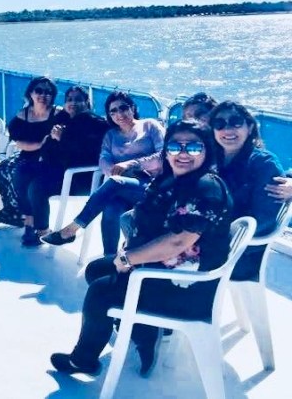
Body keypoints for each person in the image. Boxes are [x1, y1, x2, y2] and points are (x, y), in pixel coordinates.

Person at [51, 119, 232, 378]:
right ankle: (143, 332)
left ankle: (84, 359)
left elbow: (178, 242)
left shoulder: (205, 187)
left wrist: (127, 257)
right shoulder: (173, 179)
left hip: (187, 288)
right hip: (163, 270)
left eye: (193, 148)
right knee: (96, 269)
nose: (182, 153)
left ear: (207, 152)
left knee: (101, 292)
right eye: (175, 146)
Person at [40, 91, 165, 254]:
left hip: (154, 187)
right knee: (111, 208)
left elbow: (164, 155)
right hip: (123, 185)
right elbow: (103, 160)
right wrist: (119, 172)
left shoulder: (150, 125)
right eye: (113, 111)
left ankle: (72, 229)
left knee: (114, 183)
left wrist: (131, 165)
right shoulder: (111, 135)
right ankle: (109, 259)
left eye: (123, 108)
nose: (119, 113)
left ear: (133, 108)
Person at [12, 86, 109, 242]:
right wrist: (53, 139)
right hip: (59, 170)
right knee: (21, 172)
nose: (73, 103)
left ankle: (42, 230)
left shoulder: (95, 124)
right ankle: (30, 221)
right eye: (69, 99)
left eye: (78, 99)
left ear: (87, 102)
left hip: (81, 178)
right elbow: (48, 149)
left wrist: (62, 139)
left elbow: (88, 154)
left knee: (37, 186)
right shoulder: (64, 119)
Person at [208, 101, 285, 281]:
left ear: (249, 127)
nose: (227, 130)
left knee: (154, 259)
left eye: (235, 122)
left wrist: (211, 239)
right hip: (205, 240)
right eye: (219, 124)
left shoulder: (264, 164)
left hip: (240, 254)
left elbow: (264, 220)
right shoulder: (211, 160)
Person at [0, 77, 60, 235]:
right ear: (31, 93)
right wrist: (41, 144)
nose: (43, 95)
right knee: (3, 167)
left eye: (48, 92)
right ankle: (12, 210)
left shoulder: (58, 114)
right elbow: (19, 143)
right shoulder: (23, 115)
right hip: (27, 154)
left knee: (22, 173)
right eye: (39, 90)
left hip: (49, 158)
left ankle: (24, 217)